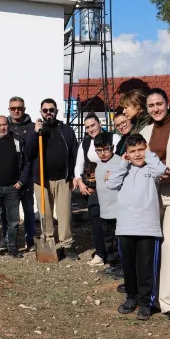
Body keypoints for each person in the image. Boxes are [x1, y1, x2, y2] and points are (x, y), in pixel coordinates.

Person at [105, 133, 166, 321]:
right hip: (126, 227)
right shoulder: (123, 169)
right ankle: (131, 297)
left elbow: (161, 171)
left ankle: (146, 302)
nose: (138, 154)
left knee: (146, 266)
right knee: (129, 266)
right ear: (127, 154)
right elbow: (111, 183)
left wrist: (150, 153)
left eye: (141, 150)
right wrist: (123, 163)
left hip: (148, 227)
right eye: (133, 151)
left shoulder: (151, 168)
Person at [141, 88, 170, 322]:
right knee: (150, 246)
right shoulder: (145, 131)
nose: (156, 109)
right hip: (151, 194)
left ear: (168, 104)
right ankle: (150, 298)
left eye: (159, 104)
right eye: (151, 106)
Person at [24, 98, 77, 256]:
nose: (48, 113)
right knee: (45, 214)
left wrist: (73, 175)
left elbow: (74, 152)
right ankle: (48, 242)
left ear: (56, 111)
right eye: (45, 110)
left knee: (64, 215)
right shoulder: (36, 130)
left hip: (63, 179)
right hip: (42, 181)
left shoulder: (66, 130)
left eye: (51, 110)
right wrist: (35, 133)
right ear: (41, 112)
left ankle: (66, 245)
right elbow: (28, 153)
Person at [0, 116, 30, 259]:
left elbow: (26, 163)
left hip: (12, 188)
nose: (2, 128)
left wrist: (21, 181)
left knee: (13, 221)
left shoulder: (18, 141)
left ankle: (12, 247)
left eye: (4, 124)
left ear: (8, 125)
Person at [74, 112, 119, 264]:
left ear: (99, 123)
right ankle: (100, 253)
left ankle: (115, 255)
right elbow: (78, 164)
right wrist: (80, 181)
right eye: (87, 127)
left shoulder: (114, 138)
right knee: (96, 220)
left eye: (92, 125)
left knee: (112, 222)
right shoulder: (85, 143)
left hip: (112, 188)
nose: (90, 129)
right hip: (94, 188)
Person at [7, 96, 37, 250]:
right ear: (9, 109)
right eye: (13, 108)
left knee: (28, 210)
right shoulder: (5, 126)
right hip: (9, 177)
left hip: (28, 176)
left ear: (24, 109)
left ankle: (30, 239)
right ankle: (8, 239)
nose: (16, 111)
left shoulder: (32, 127)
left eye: (19, 108)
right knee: (8, 212)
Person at [91, 132, 122, 276]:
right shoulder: (98, 166)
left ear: (112, 147)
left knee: (118, 241)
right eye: (99, 150)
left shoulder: (119, 162)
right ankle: (113, 264)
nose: (102, 153)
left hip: (118, 211)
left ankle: (121, 266)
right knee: (108, 239)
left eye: (105, 149)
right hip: (104, 211)